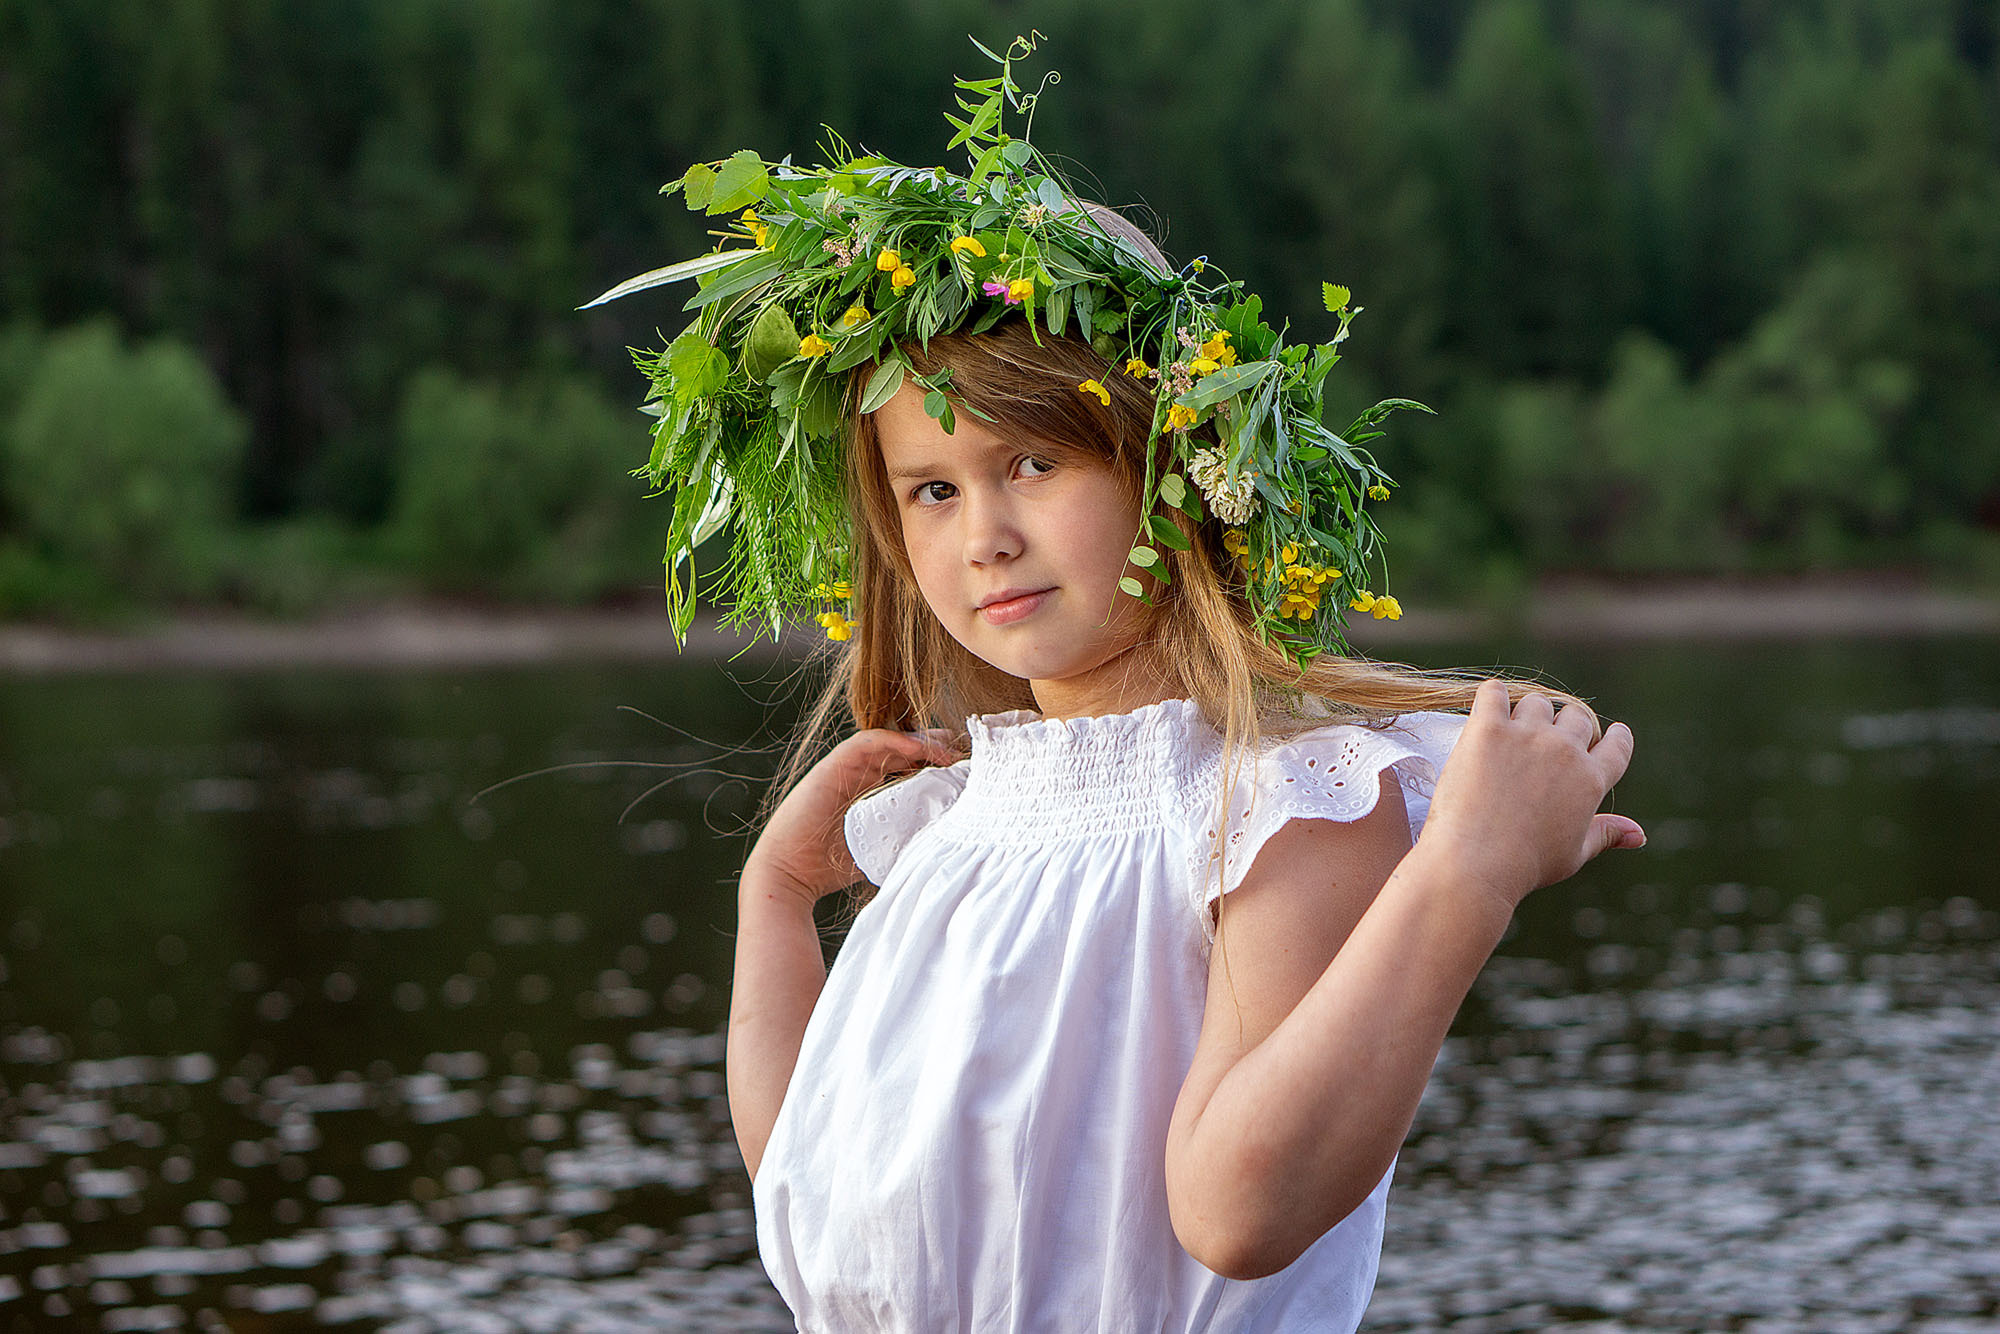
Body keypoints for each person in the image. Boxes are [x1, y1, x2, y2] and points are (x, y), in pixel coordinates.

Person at [590, 37, 1642, 1331]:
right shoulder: (950, 826)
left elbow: (1237, 1212)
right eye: (934, 489)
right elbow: (809, 1185)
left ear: (1169, 463)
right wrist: (774, 899)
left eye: (1032, 462)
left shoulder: (1280, 801)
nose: (982, 532)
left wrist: (1465, 878)